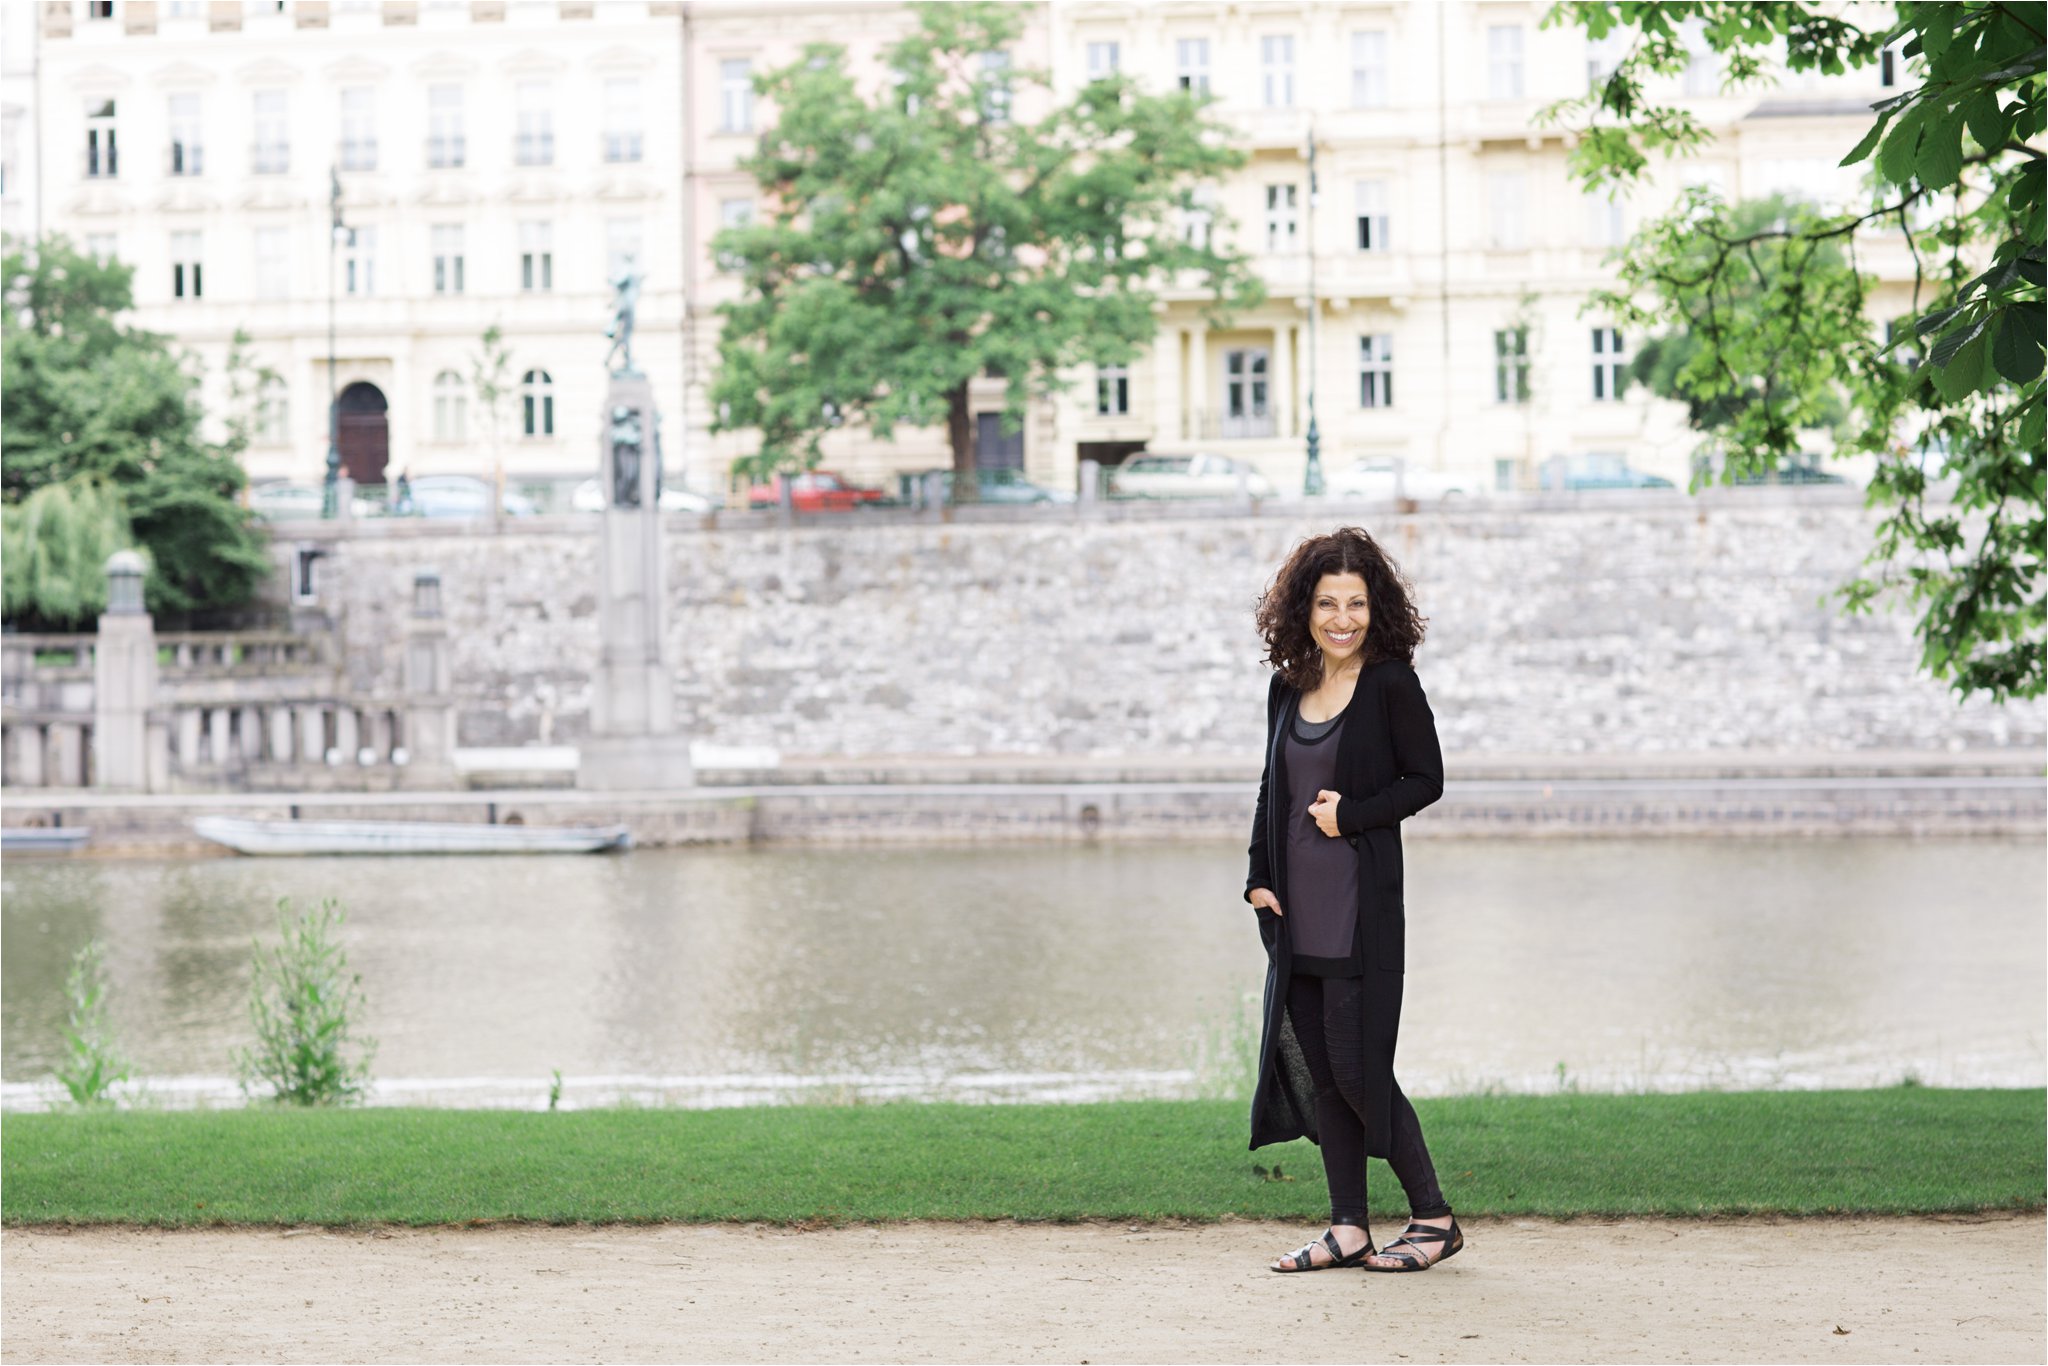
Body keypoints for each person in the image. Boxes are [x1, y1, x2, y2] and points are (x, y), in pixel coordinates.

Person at [1244, 526, 1464, 1274]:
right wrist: (1258, 874)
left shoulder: (1390, 683)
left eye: (1357, 603)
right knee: (1324, 1072)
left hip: (1357, 912)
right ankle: (1347, 1227)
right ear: (1303, 608)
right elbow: (1273, 788)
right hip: (1293, 912)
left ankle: (1434, 1217)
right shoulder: (1287, 686)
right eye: (1327, 603)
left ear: (1378, 608)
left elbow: (1426, 780)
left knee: (1359, 1067)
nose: (1342, 619)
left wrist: (1354, 815)